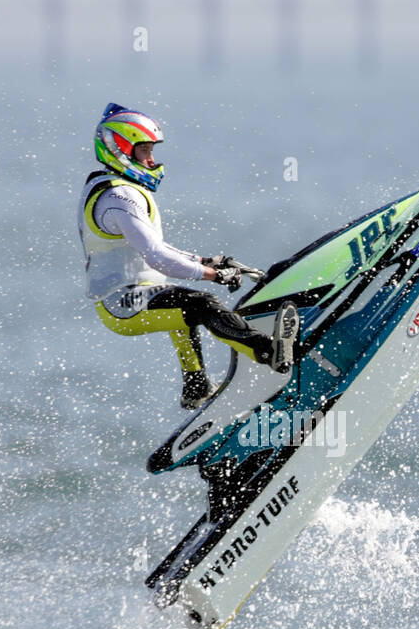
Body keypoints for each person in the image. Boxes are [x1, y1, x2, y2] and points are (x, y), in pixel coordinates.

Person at [78, 103, 298, 409]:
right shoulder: (119, 197)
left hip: (135, 294)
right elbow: (156, 256)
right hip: (121, 304)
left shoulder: (116, 190)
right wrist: (212, 275)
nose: (152, 159)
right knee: (200, 304)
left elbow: (157, 249)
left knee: (180, 309)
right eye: (144, 151)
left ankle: (196, 388)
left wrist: (206, 261)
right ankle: (269, 353)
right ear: (121, 150)